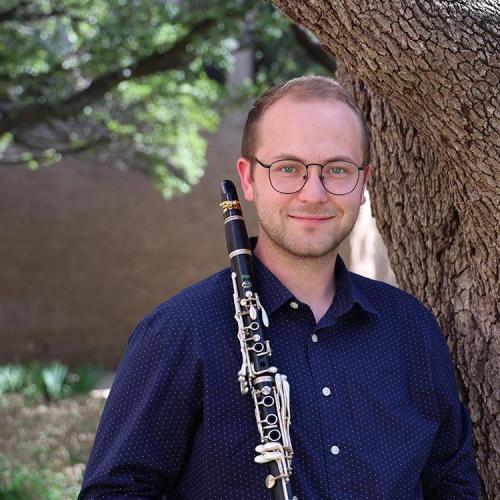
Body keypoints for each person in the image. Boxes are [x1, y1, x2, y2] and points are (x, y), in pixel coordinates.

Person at [79, 76, 479, 499]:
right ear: (248, 179)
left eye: (337, 170)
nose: (313, 193)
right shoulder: (180, 332)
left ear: (363, 183)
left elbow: (451, 482)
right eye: (288, 169)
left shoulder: (410, 328)